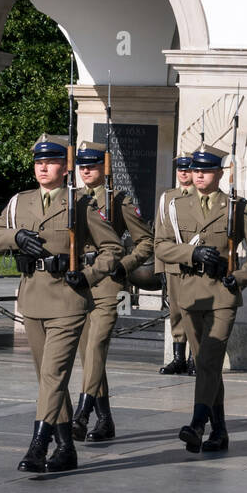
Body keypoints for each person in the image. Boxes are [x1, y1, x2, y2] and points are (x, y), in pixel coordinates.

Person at [0, 134, 123, 473]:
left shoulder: (81, 204)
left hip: (67, 299)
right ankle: (66, 448)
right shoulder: (20, 202)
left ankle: (38, 444)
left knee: (53, 374)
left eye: (52, 161)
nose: (43, 167)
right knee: (47, 378)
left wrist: (87, 276)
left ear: (65, 167)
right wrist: (14, 237)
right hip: (32, 298)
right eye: (38, 162)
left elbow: (113, 249)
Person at [154, 144, 247, 452]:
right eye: (195, 170)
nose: (199, 175)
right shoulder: (174, 205)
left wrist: (241, 277)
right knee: (208, 365)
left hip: (223, 293)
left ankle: (196, 423)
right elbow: (161, 247)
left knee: (208, 358)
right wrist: (191, 252)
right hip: (189, 293)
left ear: (220, 173)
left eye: (206, 170)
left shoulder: (237, 206)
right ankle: (219, 430)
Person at [70, 141, 154, 442]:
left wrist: (126, 264)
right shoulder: (73, 198)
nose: (86, 170)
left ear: (103, 168)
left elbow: (146, 241)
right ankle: (105, 420)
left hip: (108, 281)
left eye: (91, 165)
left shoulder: (117, 200)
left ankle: (82, 413)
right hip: (80, 281)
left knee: (95, 347)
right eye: (82, 165)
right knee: (89, 355)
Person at [155, 154, 196, 377]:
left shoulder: (201, 199)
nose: (183, 172)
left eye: (187, 169)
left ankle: (194, 358)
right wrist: (160, 268)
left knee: (194, 312)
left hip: (195, 266)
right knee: (176, 313)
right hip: (173, 266)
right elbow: (159, 236)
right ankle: (179, 358)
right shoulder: (167, 198)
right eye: (180, 169)